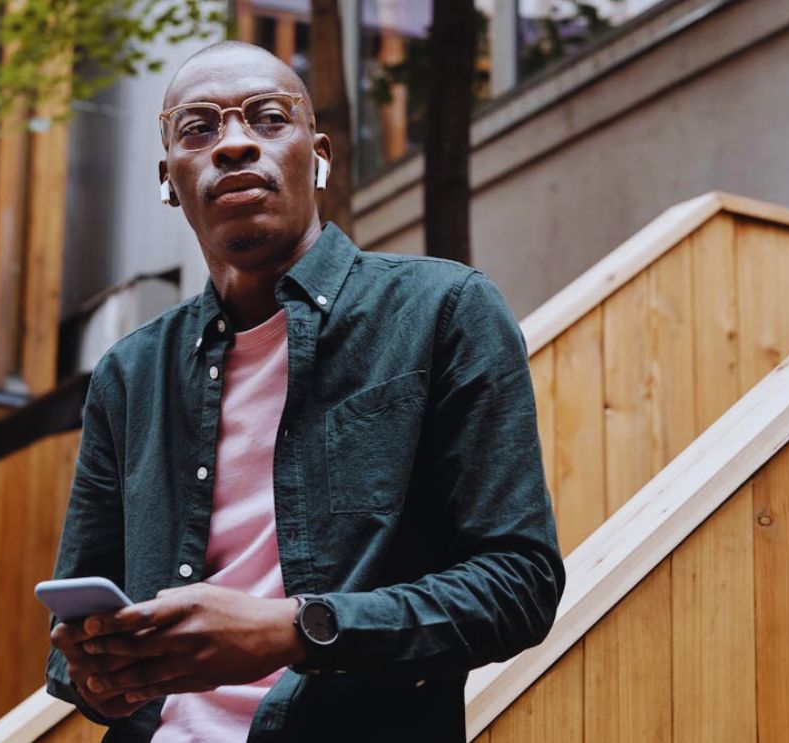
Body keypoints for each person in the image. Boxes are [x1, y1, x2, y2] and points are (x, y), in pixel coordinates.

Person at [45, 40, 565, 742]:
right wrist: (97, 671)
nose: (233, 144)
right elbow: (69, 637)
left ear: (316, 156)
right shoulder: (128, 373)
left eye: (266, 119)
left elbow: (518, 585)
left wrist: (300, 628)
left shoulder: (444, 310)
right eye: (199, 128)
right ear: (169, 177)